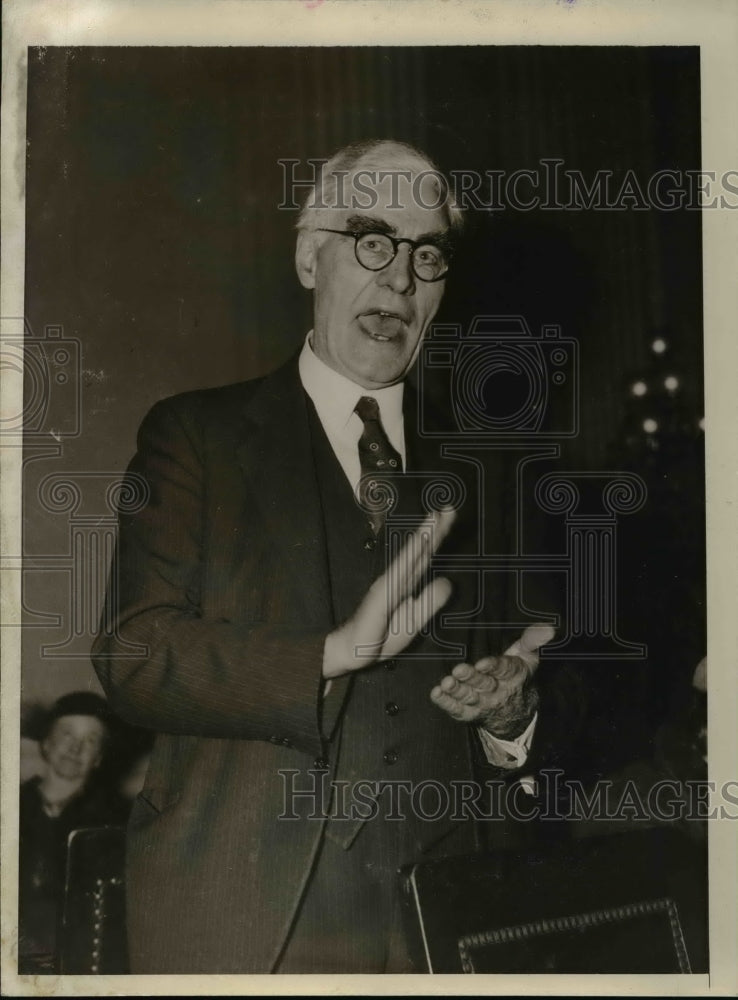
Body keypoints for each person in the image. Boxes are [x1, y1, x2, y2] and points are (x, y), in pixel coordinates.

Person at [92, 139, 592, 974]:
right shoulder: (195, 436)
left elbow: (559, 685)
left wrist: (515, 718)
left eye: (426, 253)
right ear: (305, 255)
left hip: (454, 920)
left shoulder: (496, 472)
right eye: (372, 238)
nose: (399, 277)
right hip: (250, 925)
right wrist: (329, 655)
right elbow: (134, 654)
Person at [18, 692, 129, 972]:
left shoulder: (115, 824)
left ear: (99, 758)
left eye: (90, 740)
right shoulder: (10, 806)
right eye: (67, 734)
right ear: (46, 742)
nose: (76, 748)